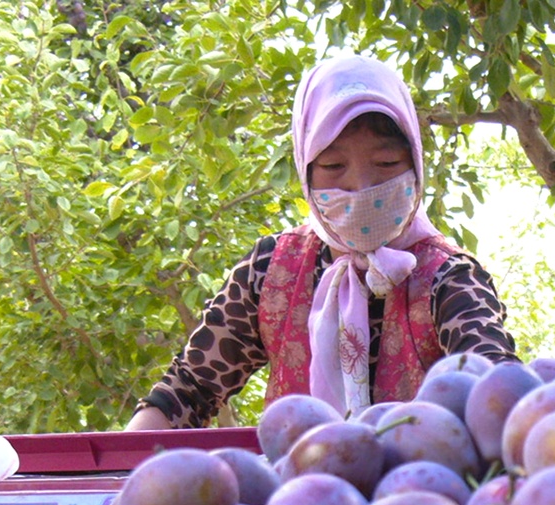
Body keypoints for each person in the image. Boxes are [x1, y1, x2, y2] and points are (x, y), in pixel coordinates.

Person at [127, 54, 518, 430]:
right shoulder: (271, 271)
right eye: (333, 166)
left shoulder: (449, 277)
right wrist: (118, 480)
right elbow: (188, 391)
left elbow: (496, 394)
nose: (361, 187)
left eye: (385, 165)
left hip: (420, 491)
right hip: (296, 491)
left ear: (415, 165)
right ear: (306, 168)